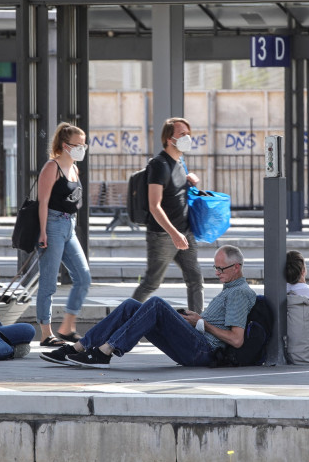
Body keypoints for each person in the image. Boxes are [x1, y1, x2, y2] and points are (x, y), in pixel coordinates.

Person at [41, 244, 255, 368]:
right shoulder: (229, 288)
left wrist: (202, 323)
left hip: (203, 351)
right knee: (131, 306)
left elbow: (236, 340)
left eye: (221, 269)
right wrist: (194, 319)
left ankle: (105, 351)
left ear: (236, 267)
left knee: (156, 303)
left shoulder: (239, 293)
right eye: (215, 268)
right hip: (195, 342)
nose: (217, 273)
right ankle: (79, 348)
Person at [131, 116, 205, 313]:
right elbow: (154, 205)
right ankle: (123, 322)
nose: (187, 138)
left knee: (195, 280)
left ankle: (196, 327)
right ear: (168, 138)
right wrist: (174, 234)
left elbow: (176, 194)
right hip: (163, 235)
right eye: (182, 134)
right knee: (151, 283)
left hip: (185, 231)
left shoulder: (180, 162)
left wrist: (189, 182)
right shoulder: (159, 165)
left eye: (188, 134)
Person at [35, 122, 93, 347]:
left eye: (83, 144)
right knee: (49, 282)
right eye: (76, 144)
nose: (81, 148)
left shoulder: (75, 168)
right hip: (52, 224)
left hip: (69, 226)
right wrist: (42, 232)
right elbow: (43, 202)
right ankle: (46, 334)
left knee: (83, 277)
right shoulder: (52, 167)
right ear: (64, 145)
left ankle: (67, 326)